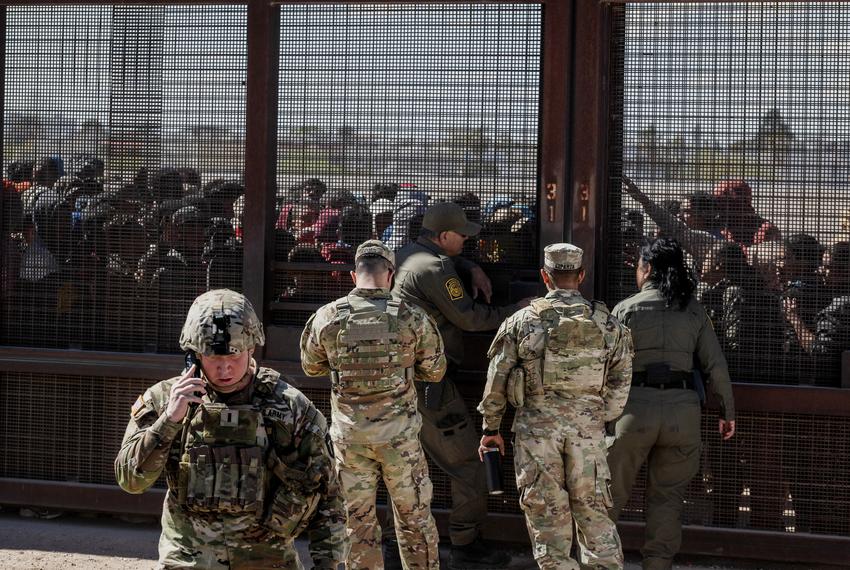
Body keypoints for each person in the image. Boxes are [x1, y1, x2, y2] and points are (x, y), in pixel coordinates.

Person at [115, 289, 345, 569]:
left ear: (251, 347)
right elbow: (130, 481)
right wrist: (169, 420)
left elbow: (328, 495)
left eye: (234, 357)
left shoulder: (289, 407)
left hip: (266, 561)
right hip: (188, 560)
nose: (225, 369)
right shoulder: (164, 400)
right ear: (194, 355)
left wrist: (329, 565)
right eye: (214, 359)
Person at [479, 243, 633, 570]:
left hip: (536, 435)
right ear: (581, 275)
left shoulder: (522, 321)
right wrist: (593, 416)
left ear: (544, 277)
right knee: (594, 515)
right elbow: (621, 384)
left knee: (547, 519)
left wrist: (491, 430)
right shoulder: (609, 325)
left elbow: (497, 381)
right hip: (588, 434)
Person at [388, 201, 520, 570]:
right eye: (461, 236)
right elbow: (471, 319)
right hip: (430, 385)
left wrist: (469, 264)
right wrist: (520, 311)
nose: (466, 241)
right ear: (443, 236)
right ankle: (466, 546)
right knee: (469, 464)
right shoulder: (436, 267)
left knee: (398, 466)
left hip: (397, 383)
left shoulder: (408, 254)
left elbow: (431, 267)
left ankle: (390, 548)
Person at [300, 239, 446, 569]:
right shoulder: (411, 317)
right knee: (415, 521)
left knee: (356, 524)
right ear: (390, 275)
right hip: (400, 440)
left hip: (350, 440)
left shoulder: (327, 317)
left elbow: (311, 366)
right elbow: (435, 370)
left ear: (354, 275)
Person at [607, 237, 736, 570]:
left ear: (646, 268)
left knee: (609, 497)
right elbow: (715, 366)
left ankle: (599, 562)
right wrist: (727, 412)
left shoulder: (625, 309)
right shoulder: (694, 310)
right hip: (682, 413)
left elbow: (605, 366)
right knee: (667, 499)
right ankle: (658, 564)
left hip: (633, 411)